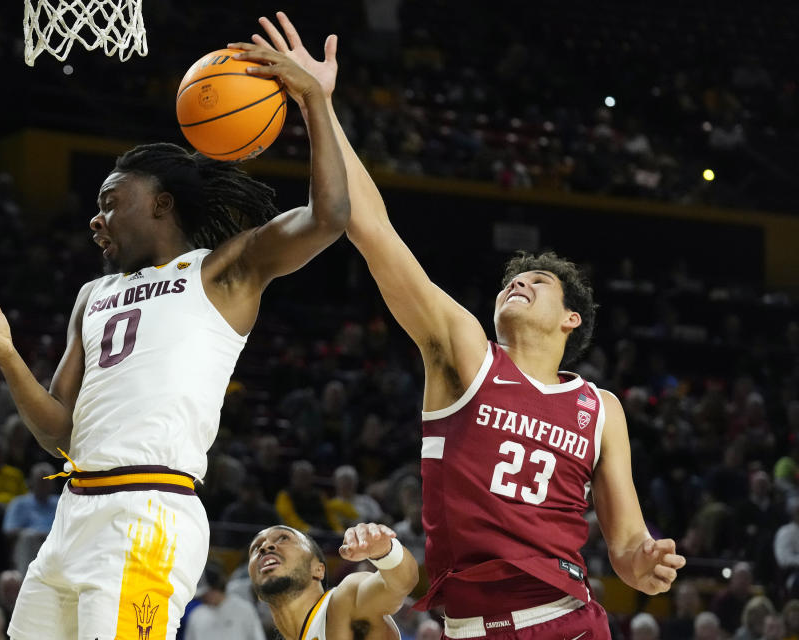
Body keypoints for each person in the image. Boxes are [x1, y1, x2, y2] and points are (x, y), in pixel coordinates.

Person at [242, 11, 686, 637]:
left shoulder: (600, 407)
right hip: (468, 626)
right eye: (513, 279)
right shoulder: (465, 355)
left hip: (568, 621)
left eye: (539, 283)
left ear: (570, 320)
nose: (519, 282)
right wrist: (319, 104)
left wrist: (643, 564)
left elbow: (627, 542)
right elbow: (372, 229)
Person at [0, 38, 349, 640]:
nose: (94, 218)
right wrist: (5, 353)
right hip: (72, 515)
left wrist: (313, 99)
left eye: (109, 202)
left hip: (149, 511)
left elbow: (329, 215)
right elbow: (57, 434)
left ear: (160, 204)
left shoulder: (220, 271)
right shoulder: (91, 297)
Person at [247, 523, 418, 640]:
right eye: (256, 547)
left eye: (283, 538)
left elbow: (401, 583)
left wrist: (385, 551)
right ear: (257, 591)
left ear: (318, 569)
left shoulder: (345, 601)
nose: (265, 547)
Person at [184, 562, 264, 640]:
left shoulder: (244, 610)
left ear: (217, 587)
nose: (203, 598)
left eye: (207, 593)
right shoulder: (196, 615)